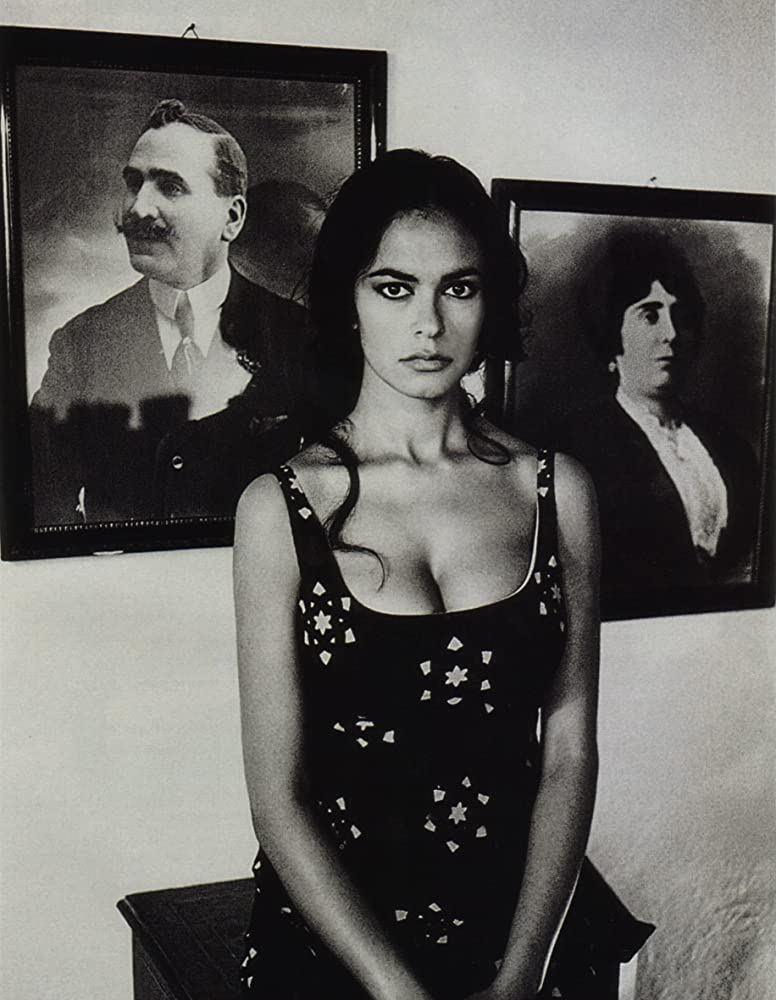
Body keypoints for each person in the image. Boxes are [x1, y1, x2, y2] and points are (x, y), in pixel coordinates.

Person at [233, 150, 653, 999]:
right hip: (339, 954)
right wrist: (398, 993)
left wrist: (523, 973)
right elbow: (278, 799)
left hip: (520, 940)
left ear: (489, 301)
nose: (428, 324)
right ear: (348, 301)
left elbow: (569, 751)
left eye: (458, 288)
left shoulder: (557, 490)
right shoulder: (281, 506)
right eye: (394, 288)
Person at [29, 99, 313, 525]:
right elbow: (41, 505)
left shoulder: (300, 336)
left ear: (232, 218)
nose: (137, 209)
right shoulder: (80, 342)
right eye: (134, 183)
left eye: (170, 186)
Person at [561, 227, 759, 600]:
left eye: (680, 316)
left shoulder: (731, 446)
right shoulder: (578, 448)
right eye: (650, 316)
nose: (671, 333)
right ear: (612, 331)